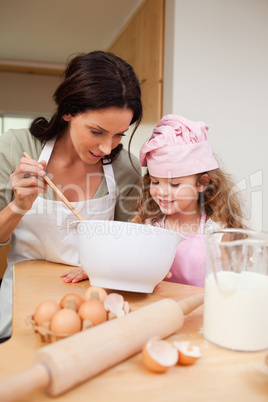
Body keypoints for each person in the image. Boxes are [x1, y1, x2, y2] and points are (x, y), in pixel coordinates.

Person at [0, 50, 143, 340]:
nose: (107, 147)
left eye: (118, 135)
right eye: (97, 131)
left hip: (92, 302)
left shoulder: (125, 167)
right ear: (68, 112)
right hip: (19, 300)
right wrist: (17, 207)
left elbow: (130, 245)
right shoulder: (16, 147)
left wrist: (107, 264)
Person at [133, 114, 246, 287]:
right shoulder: (147, 225)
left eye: (174, 184)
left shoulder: (219, 234)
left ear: (202, 183)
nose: (162, 192)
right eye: (155, 182)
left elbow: (233, 287)